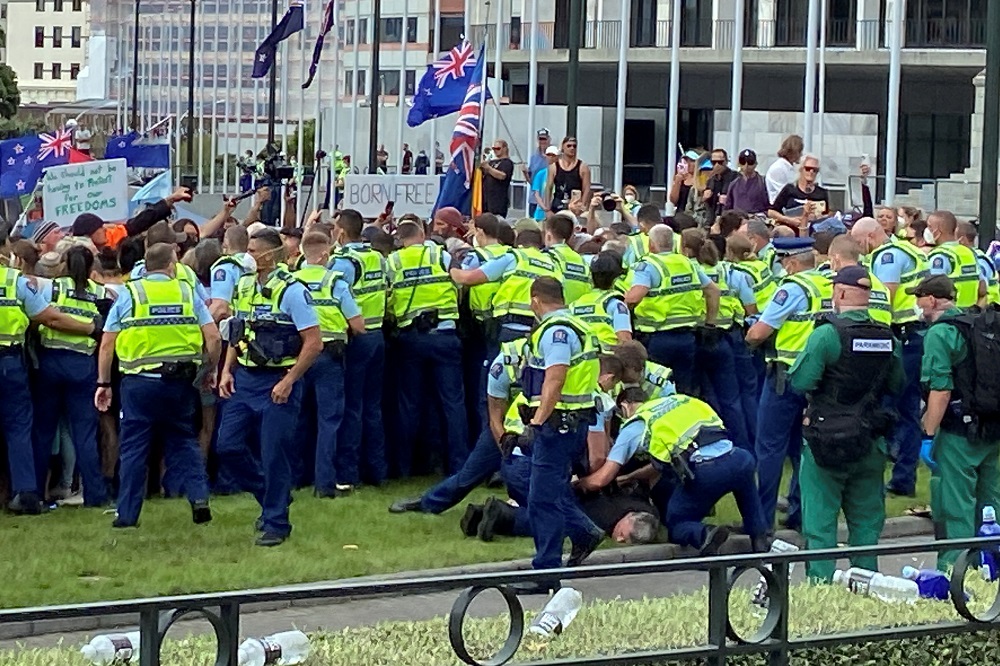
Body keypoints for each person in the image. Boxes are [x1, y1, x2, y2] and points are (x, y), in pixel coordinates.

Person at [789, 265, 903, 582]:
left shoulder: (827, 334)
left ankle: (821, 586)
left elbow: (801, 380)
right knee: (866, 520)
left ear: (839, 293)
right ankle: (866, 584)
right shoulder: (887, 336)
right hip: (870, 438)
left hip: (827, 438)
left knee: (820, 520)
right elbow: (897, 383)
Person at [94, 243, 219, 527]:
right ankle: (199, 498)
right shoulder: (187, 291)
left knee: (135, 449)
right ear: (172, 265)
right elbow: (213, 338)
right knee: (184, 440)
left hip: (138, 383)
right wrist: (207, 369)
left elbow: (107, 344)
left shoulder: (130, 293)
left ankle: (126, 515)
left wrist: (103, 382)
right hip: (180, 382)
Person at [216, 229, 323, 546]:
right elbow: (239, 332)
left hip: (278, 380)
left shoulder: (292, 291)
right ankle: (271, 494)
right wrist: (226, 370)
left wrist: (289, 380)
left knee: (274, 452)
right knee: (227, 446)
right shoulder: (244, 285)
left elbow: (314, 343)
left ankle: (277, 523)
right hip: (246, 379)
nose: (248, 255)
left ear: (271, 254)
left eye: (253, 250)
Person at [514, 277, 603, 593]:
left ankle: (546, 574)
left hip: (558, 426)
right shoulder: (576, 325)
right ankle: (581, 534)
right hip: (571, 423)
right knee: (548, 494)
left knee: (542, 499)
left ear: (535, 300)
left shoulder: (556, 332)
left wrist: (537, 421)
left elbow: (555, 378)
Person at [614, 389, 770, 554]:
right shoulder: (682, 401)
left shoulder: (648, 422)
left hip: (706, 472)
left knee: (677, 521)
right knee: (746, 489)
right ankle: (760, 537)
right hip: (738, 457)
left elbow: (659, 467)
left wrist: (628, 477)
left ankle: (705, 534)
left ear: (625, 406)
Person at [745, 237, 833, 532]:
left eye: (783, 262)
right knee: (803, 450)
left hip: (785, 378)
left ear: (792, 263)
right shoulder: (826, 285)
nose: (782, 267)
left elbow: (758, 333)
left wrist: (750, 336)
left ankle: (761, 521)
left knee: (769, 450)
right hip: (818, 379)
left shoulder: (792, 288)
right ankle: (800, 513)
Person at [914, 275, 1000, 569]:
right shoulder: (977, 324)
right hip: (992, 424)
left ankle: (956, 569)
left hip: (959, 432)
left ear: (933, 300)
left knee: (956, 504)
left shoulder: (940, 334)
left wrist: (928, 434)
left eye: (919, 297)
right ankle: (991, 566)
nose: (917, 304)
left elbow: (940, 389)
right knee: (991, 502)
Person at [852, 216, 929, 497]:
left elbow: (884, 296)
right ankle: (903, 478)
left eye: (860, 243)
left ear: (871, 237)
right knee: (908, 410)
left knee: (886, 406)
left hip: (903, 336)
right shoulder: (906, 249)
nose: (861, 250)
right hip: (916, 334)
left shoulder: (887, 256)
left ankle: (877, 477)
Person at [32, 245, 113, 508]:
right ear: (91, 267)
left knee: (44, 431)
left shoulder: (52, 288)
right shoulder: (100, 293)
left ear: (65, 263)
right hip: (83, 366)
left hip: (50, 362)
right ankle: (95, 495)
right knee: (85, 434)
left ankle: (35, 494)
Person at [386, 220, 468, 476]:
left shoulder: (393, 262)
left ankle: (404, 467)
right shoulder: (440, 255)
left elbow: (387, 296)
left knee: (409, 404)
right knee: (453, 403)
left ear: (400, 238)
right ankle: (458, 465)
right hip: (444, 334)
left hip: (411, 338)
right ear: (422, 234)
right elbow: (460, 285)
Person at [293, 231, 365, 496]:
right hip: (329, 356)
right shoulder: (334, 281)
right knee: (329, 420)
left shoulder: (291, 280)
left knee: (299, 417)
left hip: (298, 356)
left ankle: (296, 478)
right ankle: (324, 483)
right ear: (324, 254)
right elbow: (357, 324)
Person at [330, 208, 389, 489]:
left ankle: (348, 473)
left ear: (341, 231)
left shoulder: (344, 262)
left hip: (356, 337)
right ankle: (377, 471)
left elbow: (332, 296)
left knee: (352, 407)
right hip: (377, 334)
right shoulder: (375, 256)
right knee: (373, 407)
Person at [625, 224, 720, 395]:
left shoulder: (648, 265)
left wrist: (621, 311)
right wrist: (710, 325)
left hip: (657, 339)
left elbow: (634, 297)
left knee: (654, 389)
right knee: (684, 391)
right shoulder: (687, 263)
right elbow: (713, 290)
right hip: (687, 339)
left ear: (651, 244)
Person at [682, 228, 750, 452]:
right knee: (731, 399)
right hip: (724, 337)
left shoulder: (688, 270)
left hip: (695, 336)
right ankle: (742, 447)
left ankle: (710, 444)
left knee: (699, 396)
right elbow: (751, 307)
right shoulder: (732, 273)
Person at [450, 228, 559, 343]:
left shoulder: (514, 257)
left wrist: (452, 267)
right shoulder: (553, 263)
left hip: (511, 325)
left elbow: (467, 278)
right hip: (540, 327)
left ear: (519, 245)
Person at [69, 187, 194, 251]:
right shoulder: (73, 254)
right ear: (88, 235)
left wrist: (170, 200)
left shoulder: (116, 236)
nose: (105, 229)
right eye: (100, 228)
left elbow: (143, 220)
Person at [569, 251, 632, 350]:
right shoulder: (616, 305)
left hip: (587, 362)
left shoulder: (575, 304)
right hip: (610, 360)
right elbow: (625, 340)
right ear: (617, 277)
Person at [925, 210, 985, 311]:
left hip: (949, 318)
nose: (926, 230)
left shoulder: (940, 256)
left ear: (938, 231)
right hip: (969, 318)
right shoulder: (969, 253)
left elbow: (934, 294)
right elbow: (982, 289)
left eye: (930, 227)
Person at [768, 156, 829, 236]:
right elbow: (771, 212)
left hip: (814, 231)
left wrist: (817, 217)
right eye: (808, 168)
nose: (811, 172)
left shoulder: (822, 193)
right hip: (790, 229)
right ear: (801, 169)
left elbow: (826, 215)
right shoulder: (790, 190)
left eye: (815, 170)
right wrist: (789, 220)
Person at [209, 225, 254, 321]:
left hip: (230, 325)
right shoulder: (253, 264)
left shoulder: (225, 268)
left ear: (226, 241)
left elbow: (220, 306)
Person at [545, 213, 591, 304]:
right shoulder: (581, 260)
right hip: (576, 311)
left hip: (555, 310)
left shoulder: (548, 256)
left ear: (548, 235)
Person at [957, 220, 1000, 307]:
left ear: (963, 240)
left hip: (988, 312)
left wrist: (975, 314)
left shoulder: (979, 260)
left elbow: (982, 292)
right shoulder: (970, 257)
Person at [546, 136, 591, 214]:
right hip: (557, 207)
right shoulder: (554, 167)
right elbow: (548, 188)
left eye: (574, 146)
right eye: (569, 146)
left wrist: (582, 206)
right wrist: (547, 210)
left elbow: (586, 189)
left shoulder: (583, 167)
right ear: (563, 147)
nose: (572, 148)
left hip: (575, 208)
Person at [725, 149, 769, 214]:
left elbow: (769, 207)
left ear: (755, 164)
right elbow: (728, 207)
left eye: (750, 162)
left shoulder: (763, 182)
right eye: (743, 162)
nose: (746, 166)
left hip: (757, 219)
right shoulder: (734, 184)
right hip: (738, 219)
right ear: (739, 164)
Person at [702, 148, 738, 227]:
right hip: (712, 219)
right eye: (713, 162)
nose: (717, 165)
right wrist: (705, 198)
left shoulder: (735, 178)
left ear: (726, 162)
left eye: (720, 162)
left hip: (729, 220)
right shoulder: (711, 180)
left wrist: (728, 200)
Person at [765, 134, 803, 204]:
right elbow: (784, 193)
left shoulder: (791, 167)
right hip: (781, 207)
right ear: (793, 152)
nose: (801, 155)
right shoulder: (778, 168)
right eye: (799, 152)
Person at [480, 139, 514, 217]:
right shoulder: (491, 162)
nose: (495, 150)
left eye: (498, 148)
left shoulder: (507, 163)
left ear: (505, 149)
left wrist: (488, 168)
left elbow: (502, 176)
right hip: (486, 202)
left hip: (498, 203)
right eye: (494, 148)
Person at [531, 146, 559, 221]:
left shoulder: (561, 173)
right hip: (540, 214)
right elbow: (536, 193)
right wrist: (545, 208)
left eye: (553, 155)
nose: (551, 157)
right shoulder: (541, 174)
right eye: (548, 155)